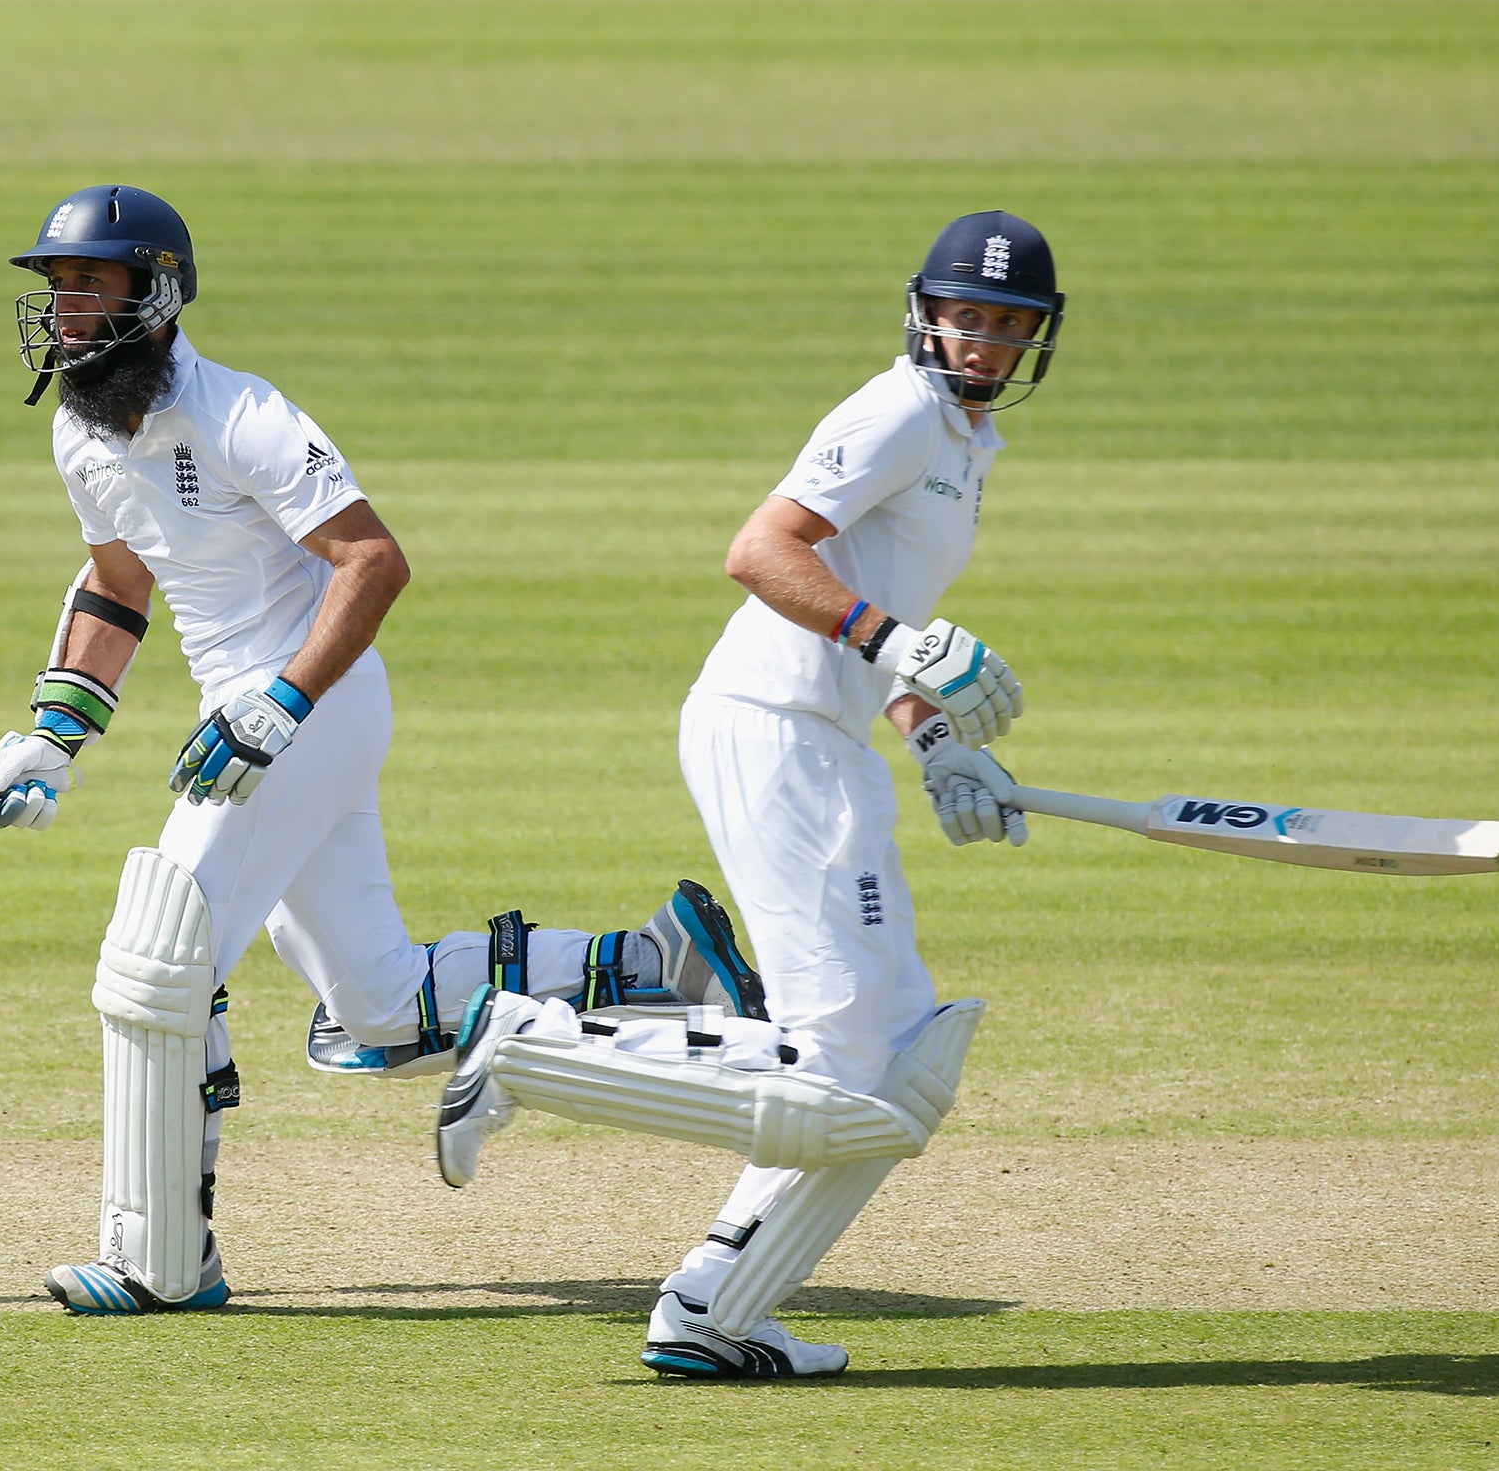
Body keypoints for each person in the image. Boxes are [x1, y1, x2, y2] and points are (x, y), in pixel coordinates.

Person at [0, 184, 768, 1317]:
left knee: (162, 954)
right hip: (248, 713)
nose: (63, 311)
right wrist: (53, 738)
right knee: (380, 1008)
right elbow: (116, 583)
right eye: (54, 289)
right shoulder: (80, 429)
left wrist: (280, 703)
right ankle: (649, 962)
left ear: (152, 294)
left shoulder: (241, 413)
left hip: (308, 704)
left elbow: (372, 561)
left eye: (88, 286)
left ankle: (159, 1258)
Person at [432, 211, 1064, 1378]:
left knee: (893, 1061)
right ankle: (528, 1042)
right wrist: (898, 642)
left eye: (1004, 324)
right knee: (845, 1061)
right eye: (962, 315)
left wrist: (933, 742)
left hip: (822, 739)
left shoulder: (966, 442)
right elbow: (762, 551)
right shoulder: (893, 414)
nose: (978, 340)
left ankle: (715, 1307)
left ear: (1033, 338)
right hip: (774, 733)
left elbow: (871, 614)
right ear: (923, 312)